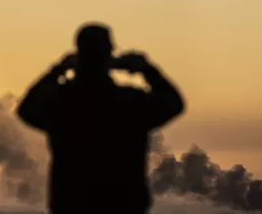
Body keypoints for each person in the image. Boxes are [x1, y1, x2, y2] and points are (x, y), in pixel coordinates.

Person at [17, 22, 185, 214]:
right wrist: (147, 70)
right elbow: (173, 103)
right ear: (109, 54)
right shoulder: (130, 102)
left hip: (72, 206)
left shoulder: (61, 101)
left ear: (78, 55)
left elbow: (26, 109)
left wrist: (57, 70)